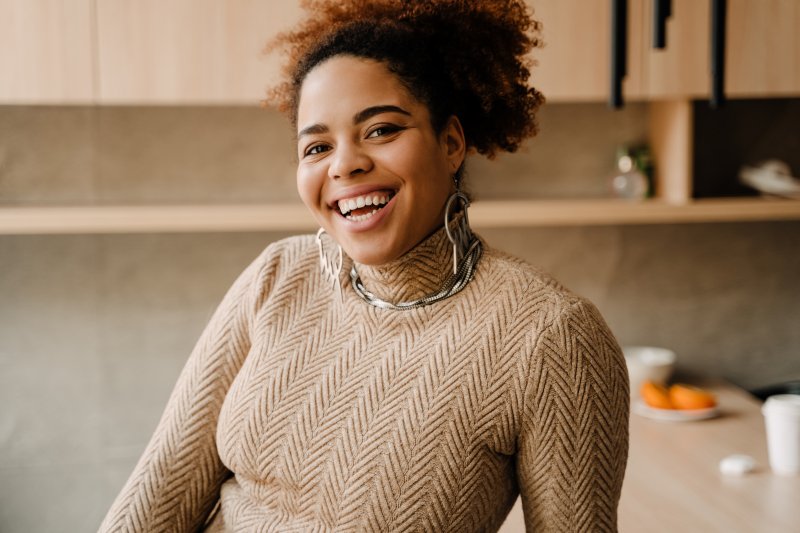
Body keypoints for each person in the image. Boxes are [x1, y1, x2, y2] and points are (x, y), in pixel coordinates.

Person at [99, 1, 629, 531]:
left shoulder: (552, 335)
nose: (344, 163)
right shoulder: (278, 275)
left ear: (450, 143)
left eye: (380, 130)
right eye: (317, 146)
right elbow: (159, 491)